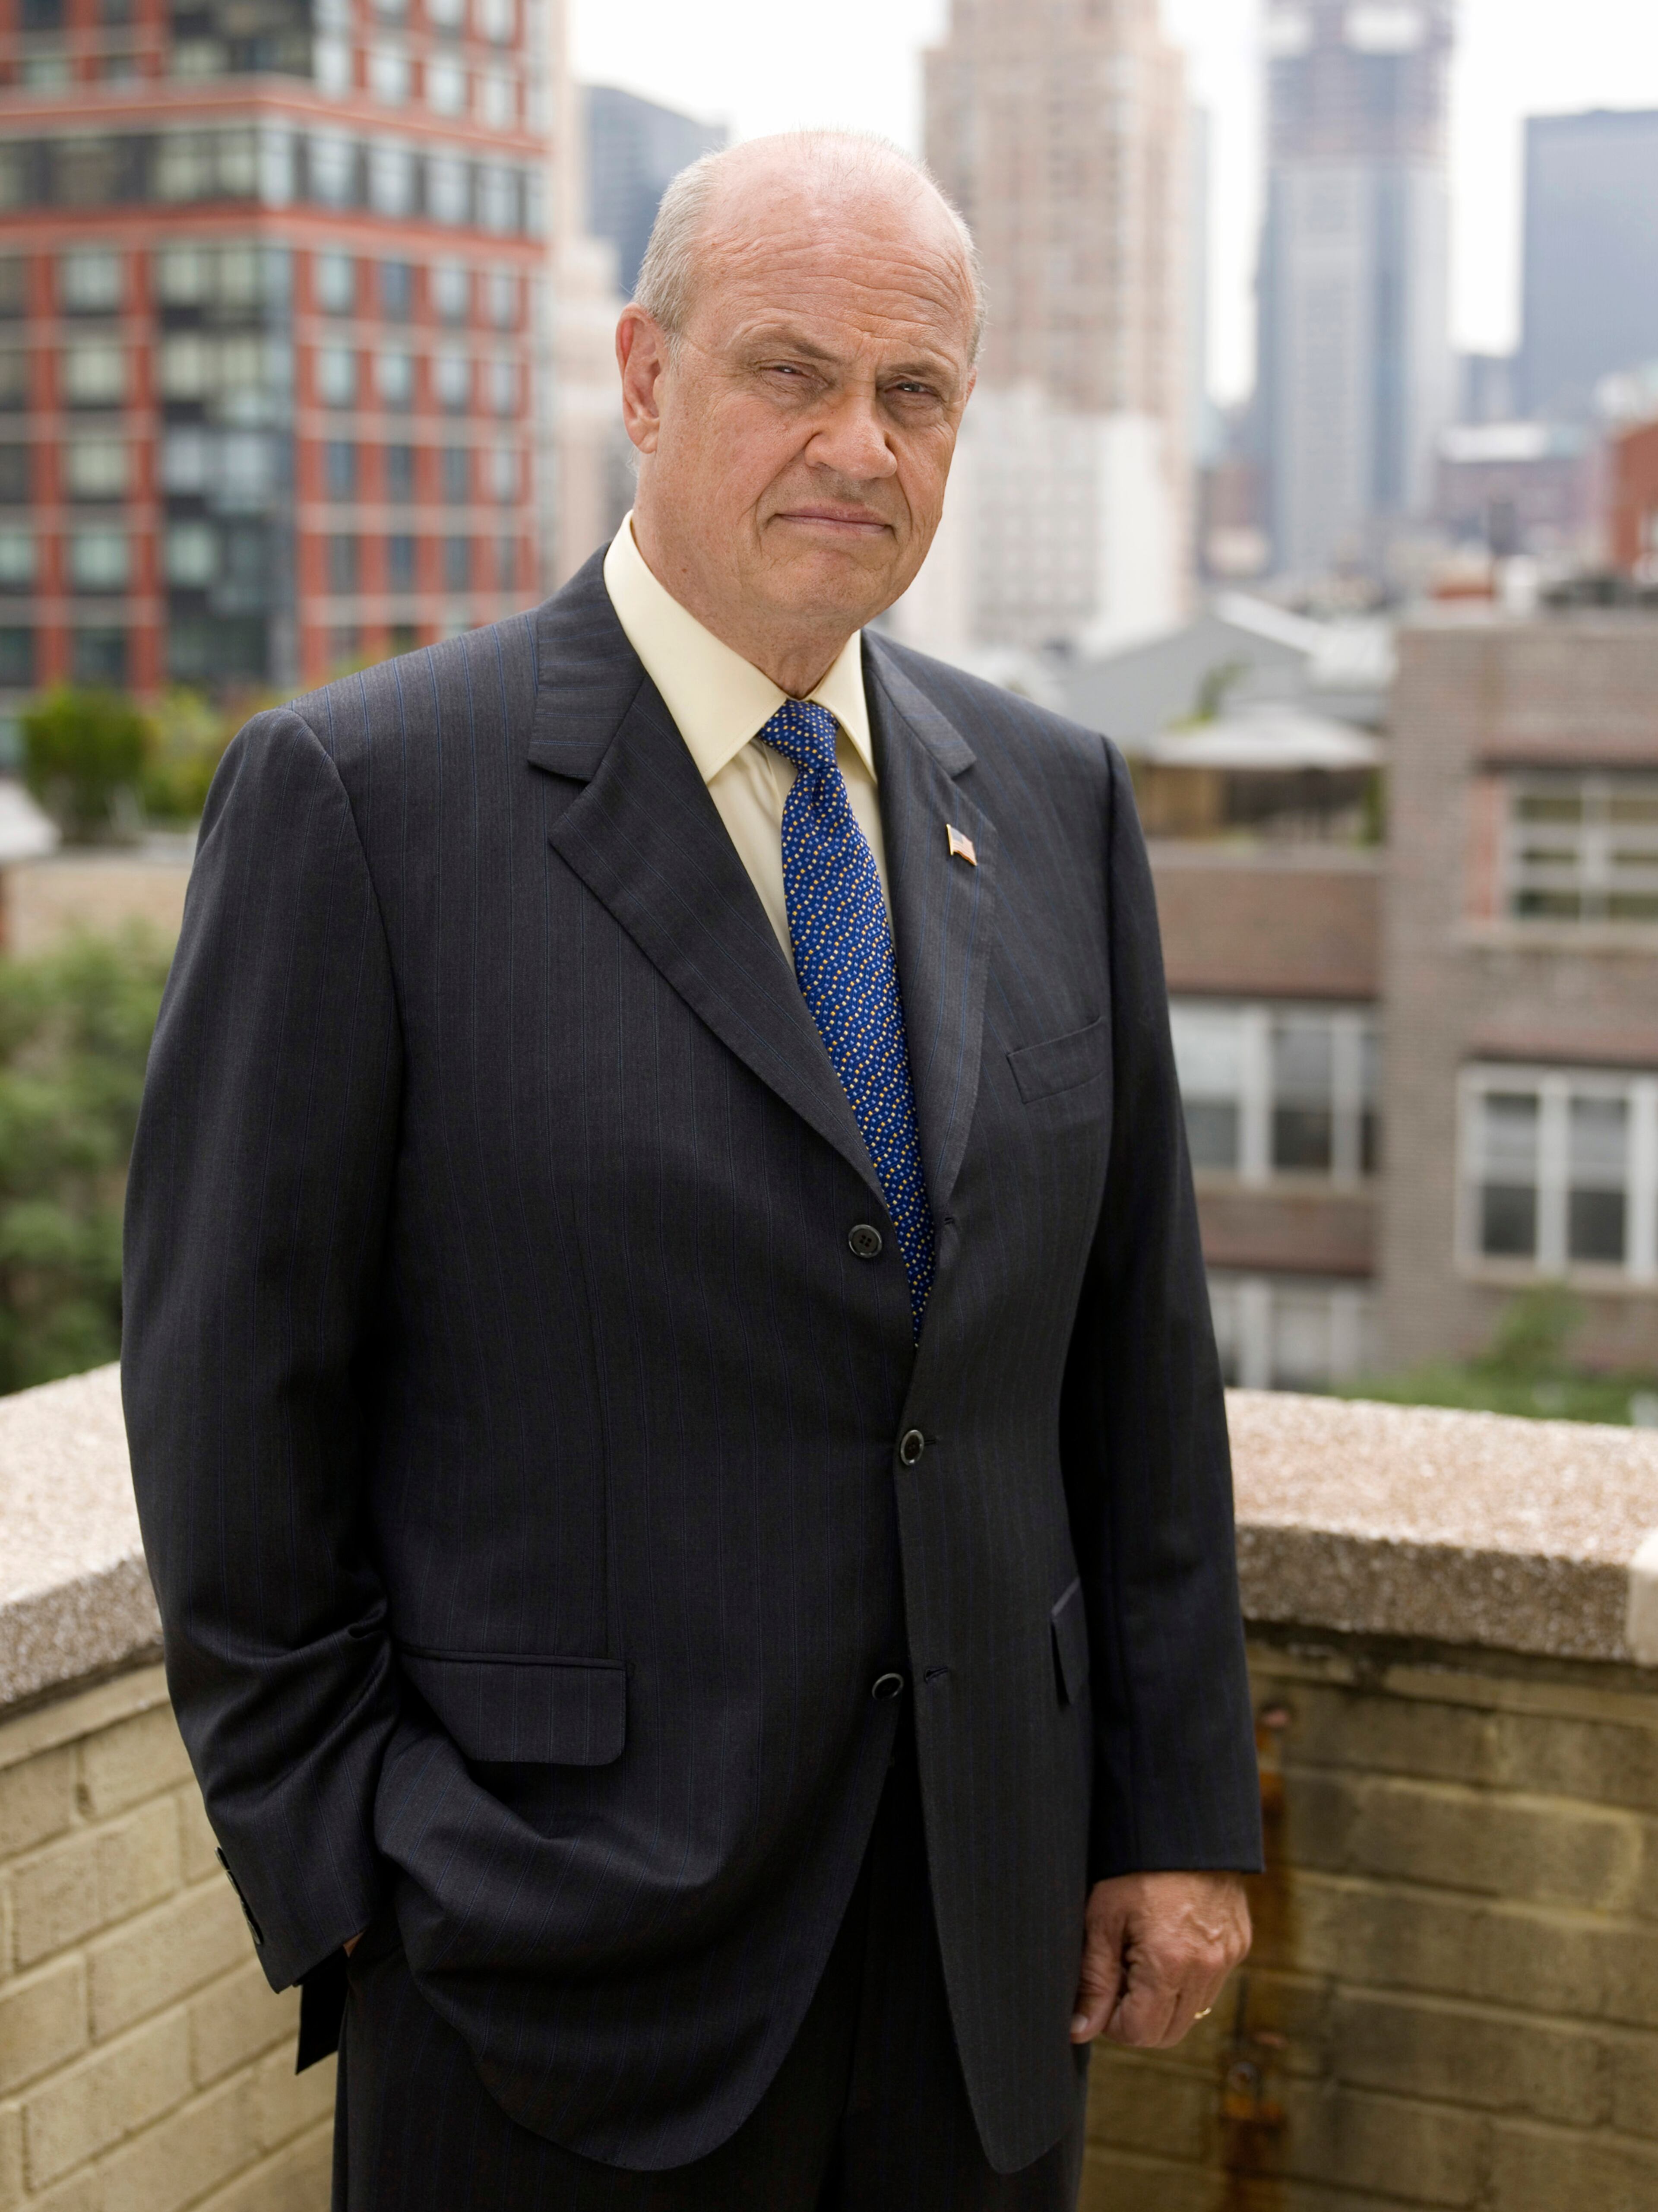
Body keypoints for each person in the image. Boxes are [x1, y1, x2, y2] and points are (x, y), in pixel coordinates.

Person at [123, 131, 1261, 2212]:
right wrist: (360, 1873)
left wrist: (1172, 1814)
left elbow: (1135, 1364)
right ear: (645, 378)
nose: (859, 444)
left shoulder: (1061, 800)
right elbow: (230, 1417)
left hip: (987, 1961)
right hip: (548, 1987)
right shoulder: (360, 804)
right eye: (790, 373)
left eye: (914, 393)